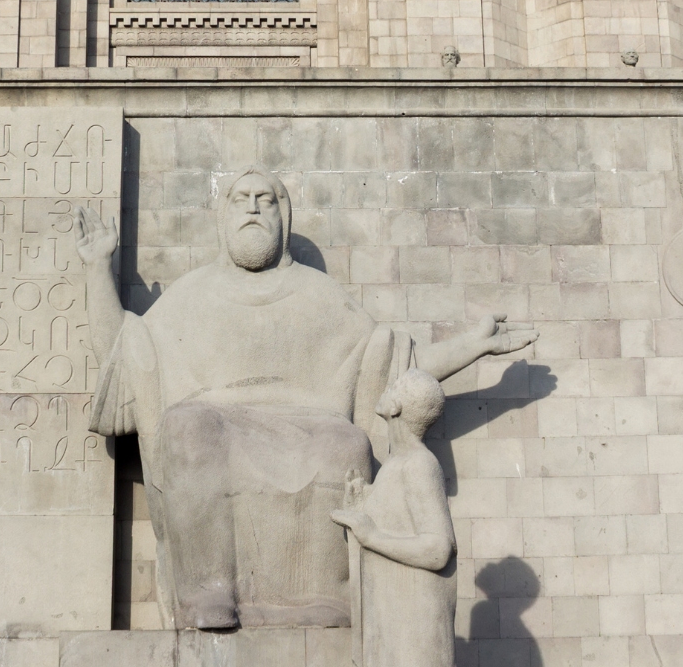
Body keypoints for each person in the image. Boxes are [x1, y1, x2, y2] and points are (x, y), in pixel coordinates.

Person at [82, 170, 534, 629]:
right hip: (212, 425)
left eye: (266, 199)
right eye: (242, 198)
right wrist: (98, 269)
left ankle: (322, 599)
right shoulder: (189, 296)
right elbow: (124, 355)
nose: (254, 208)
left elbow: (395, 365)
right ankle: (209, 593)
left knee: (345, 446)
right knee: (189, 430)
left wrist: (473, 346)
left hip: (307, 428)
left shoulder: (322, 296)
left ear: (284, 216)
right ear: (224, 218)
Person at [333, 369, 457, 667]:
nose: (387, 388)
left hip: (413, 633)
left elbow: (439, 549)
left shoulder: (419, 465)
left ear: (395, 408)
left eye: (395, 386)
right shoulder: (396, 463)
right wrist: (362, 501)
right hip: (395, 622)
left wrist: (372, 535)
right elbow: (396, 519)